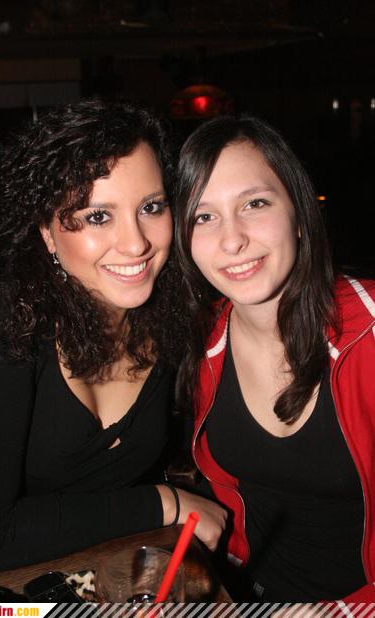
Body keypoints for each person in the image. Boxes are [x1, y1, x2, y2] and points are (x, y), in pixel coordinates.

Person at [0, 99, 226, 573]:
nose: (136, 243)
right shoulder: (6, 317)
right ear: (47, 232)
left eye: (151, 207)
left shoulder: (172, 314)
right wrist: (163, 502)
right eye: (98, 216)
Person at [175, 114, 375, 604]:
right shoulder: (198, 345)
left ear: (300, 215)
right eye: (204, 216)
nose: (232, 240)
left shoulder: (370, 335)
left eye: (255, 203)